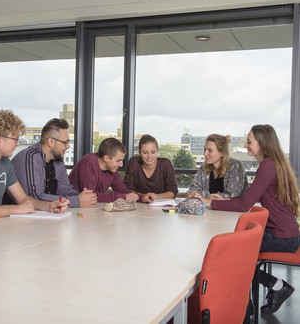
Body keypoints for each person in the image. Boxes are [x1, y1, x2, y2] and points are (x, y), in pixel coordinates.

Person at [189, 125, 300, 315]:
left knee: (231, 255)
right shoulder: (272, 164)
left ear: (262, 143)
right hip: (285, 233)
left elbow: (244, 204)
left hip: (282, 237)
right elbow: (253, 197)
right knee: (235, 253)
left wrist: (208, 202)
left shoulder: (267, 166)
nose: (246, 145)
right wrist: (226, 200)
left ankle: (269, 291)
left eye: (249, 142)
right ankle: (249, 302)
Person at [0, 108, 69, 221]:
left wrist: (49, 206)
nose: (17, 144)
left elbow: (23, 199)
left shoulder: (5, 163)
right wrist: (15, 209)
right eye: (15, 139)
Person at [11, 118, 97, 208]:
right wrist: (76, 201)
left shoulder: (58, 160)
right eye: (65, 142)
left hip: (47, 216)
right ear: (51, 142)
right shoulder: (30, 158)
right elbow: (34, 198)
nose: (68, 146)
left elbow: (65, 189)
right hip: (16, 219)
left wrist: (82, 197)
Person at [69, 137, 141, 203]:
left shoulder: (112, 169)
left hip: (90, 207)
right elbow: (90, 196)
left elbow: (122, 190)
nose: (121, 164)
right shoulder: (89, 162)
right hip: (71, 206)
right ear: (106, 158)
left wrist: (142, 197)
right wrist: (123, 197)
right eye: (118, 161)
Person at [187, 134, 248, 200]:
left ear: (221, 152)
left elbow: (232, 196)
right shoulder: (204, 167)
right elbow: (192, 190)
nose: (205, 153)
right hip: (209, 209)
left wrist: (203, 197)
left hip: (233, 210)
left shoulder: (236, 166)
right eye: (205, 149)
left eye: (210, 150)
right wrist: (209, 197)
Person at [124, 134, 178, 203]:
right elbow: (127, 189)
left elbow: (173, 191)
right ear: (139, 152)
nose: (149, 156)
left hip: (160, 207)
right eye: (145, 152)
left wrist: (158, 197)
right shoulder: (134, 163)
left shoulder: (165, 164)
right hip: (138, 206)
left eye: (153, 152)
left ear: (157, 151)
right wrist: (143, 197)